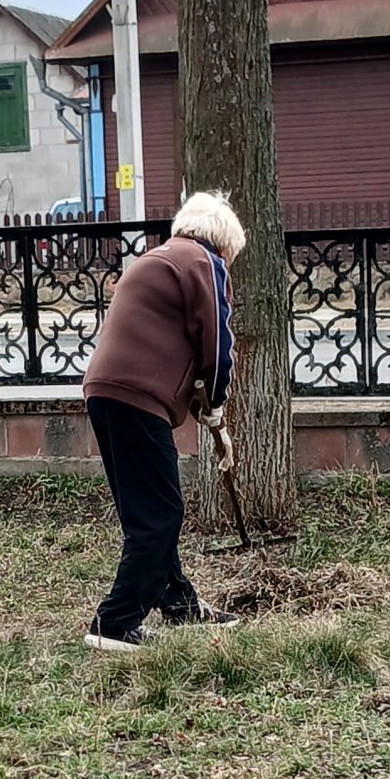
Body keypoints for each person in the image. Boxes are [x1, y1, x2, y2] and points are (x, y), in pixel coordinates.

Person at [81, 191, 247, 649]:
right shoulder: (203, 262)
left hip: (106, 393)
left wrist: (208, 413)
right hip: (139, 398)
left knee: (146, 511)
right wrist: (217, 409)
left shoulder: (156, 260)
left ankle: (178, 602)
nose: (228, 264)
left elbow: (175, 352)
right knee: (161, 516)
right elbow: (217, 346)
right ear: (224, 242)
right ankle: (115, 623)